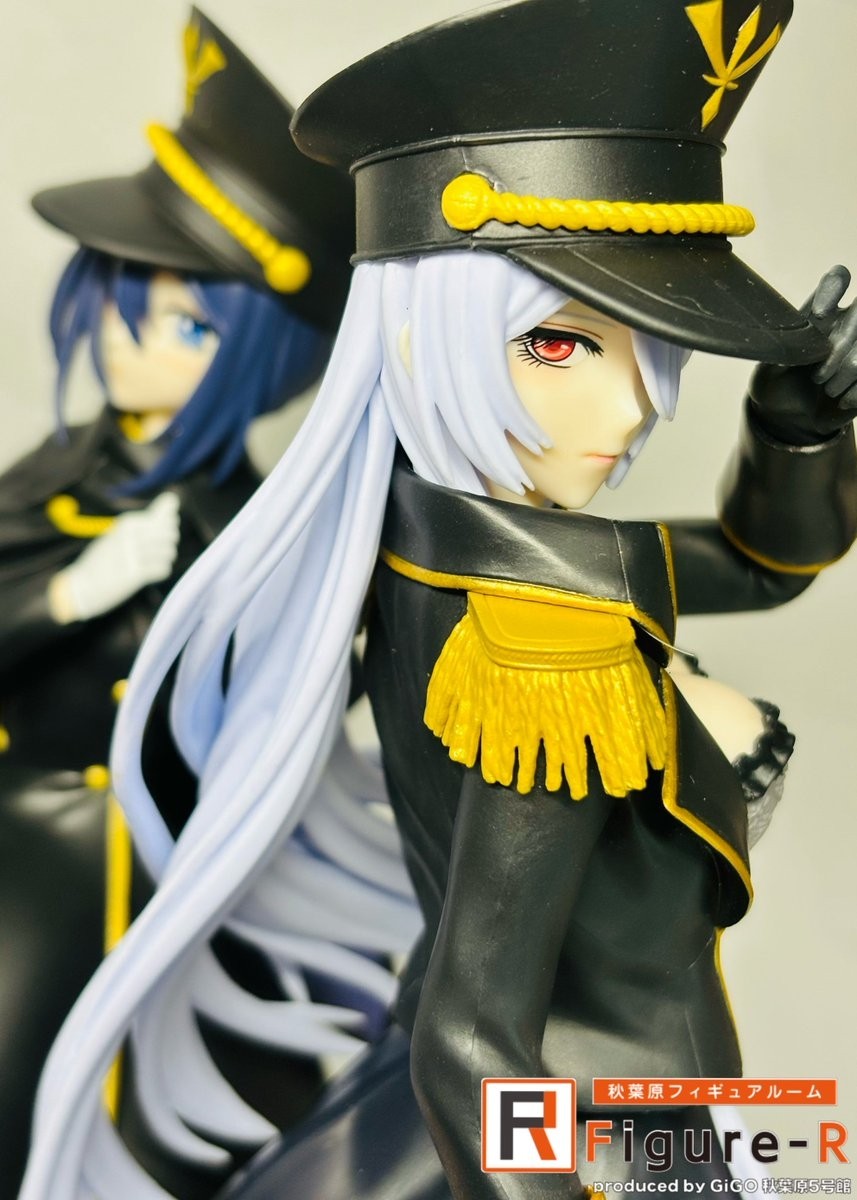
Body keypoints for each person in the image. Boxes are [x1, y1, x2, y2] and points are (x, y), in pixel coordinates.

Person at [18, 1, 857, 1197]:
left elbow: (757, 565)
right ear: (427, 334)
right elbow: (472, 1039)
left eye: (646, 341)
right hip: (616, 1136)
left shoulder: (418, 540)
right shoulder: (539, 643)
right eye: (558, 344)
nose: (633, 406)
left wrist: (793, 437)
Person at [0, 7, 363, 1197]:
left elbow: (306, 705)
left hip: (192, 889)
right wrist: (73, 592)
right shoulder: (48, 481)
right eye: (127, 296)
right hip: (27, 849)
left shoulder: (261, 531)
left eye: (191, 322)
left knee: (248, 1135)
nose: (133, 342)